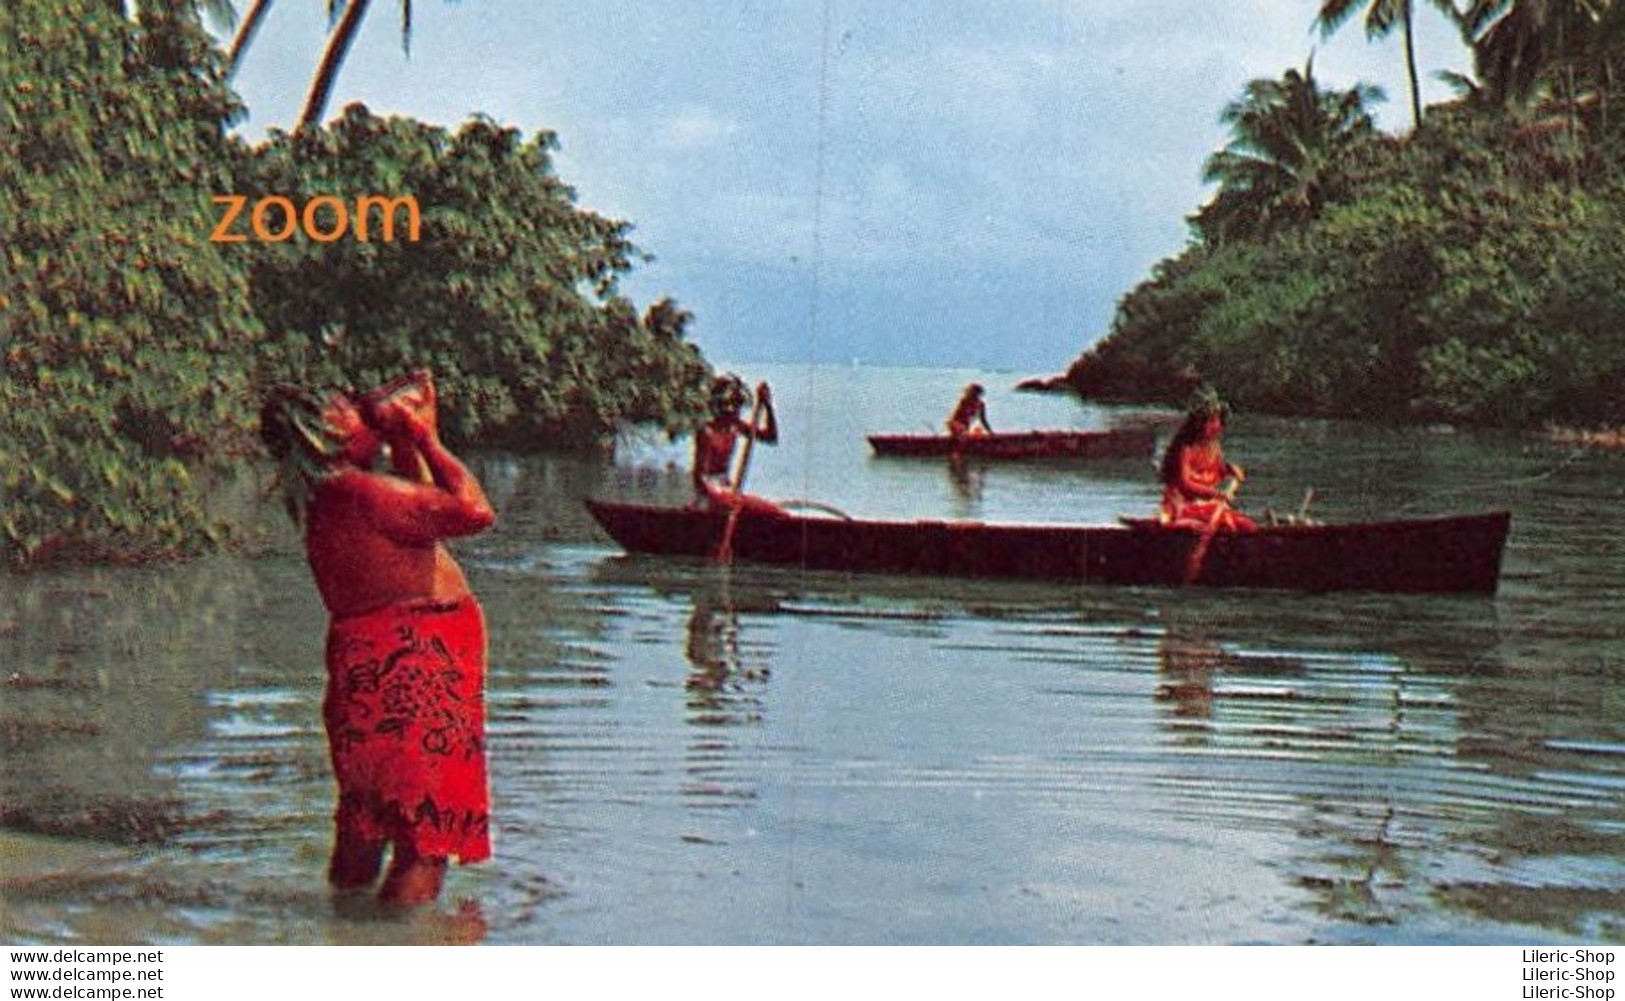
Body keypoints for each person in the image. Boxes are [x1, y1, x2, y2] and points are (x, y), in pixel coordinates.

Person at [258, 372, 496, 907]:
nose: (365, 416)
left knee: (366, 823)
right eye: (348, 409)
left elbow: (422, 519)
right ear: (325, 430)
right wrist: (431, 440)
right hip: (416, 667)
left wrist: (408, 442)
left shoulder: (334, 495)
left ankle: (343, 939)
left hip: (375, 665)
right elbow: (473, 511)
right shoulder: (364, 492)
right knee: (425, 841)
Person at [1157, 392, 1256, 533]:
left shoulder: (1213, 445)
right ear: (1200, 424)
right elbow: (1185, 483)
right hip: (1182, 508)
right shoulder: (1186, 447)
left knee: (1246, 525)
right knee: (1227, 524)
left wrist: (1229, 469)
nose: (1217, 425)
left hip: (1206, 506)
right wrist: (1215, 494)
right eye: (1212, 421)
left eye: (1217, 421)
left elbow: (1216, 468)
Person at [692, 373, 783, 515]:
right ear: (723, 406)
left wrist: (767, 405)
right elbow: (699, 477)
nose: (738, 411)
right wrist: (719, 497)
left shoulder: (735, 426)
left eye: (739, 405)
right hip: (710, 495)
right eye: (735, 405)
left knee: (775, 513)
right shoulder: (706, 431)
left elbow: (770, 437)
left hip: (727, 490)